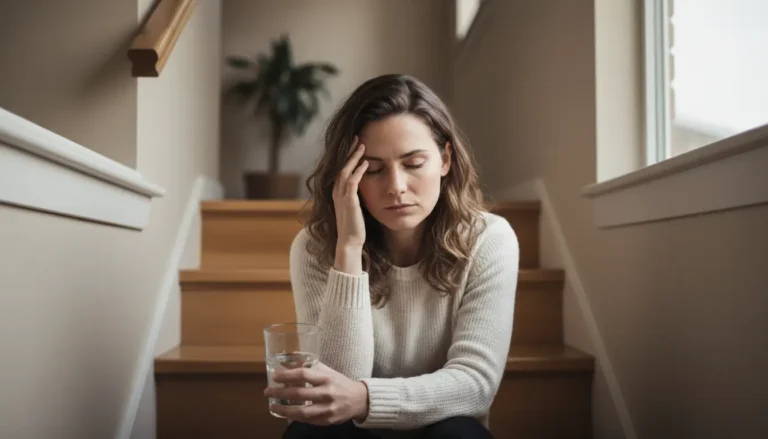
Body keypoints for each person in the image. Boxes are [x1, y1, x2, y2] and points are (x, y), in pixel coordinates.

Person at [264, 74, 519, 439]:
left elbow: (476, 385)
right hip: (351, 433)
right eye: (374, 169)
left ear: (445, 159)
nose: (396, 187)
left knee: (460, 435)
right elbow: (338, 391)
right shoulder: (314, 247)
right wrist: (349, 249)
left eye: (414, 164)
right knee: (313, 433)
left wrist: (366, 399)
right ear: (347, 176)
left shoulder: (489, 239)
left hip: (441, 429)